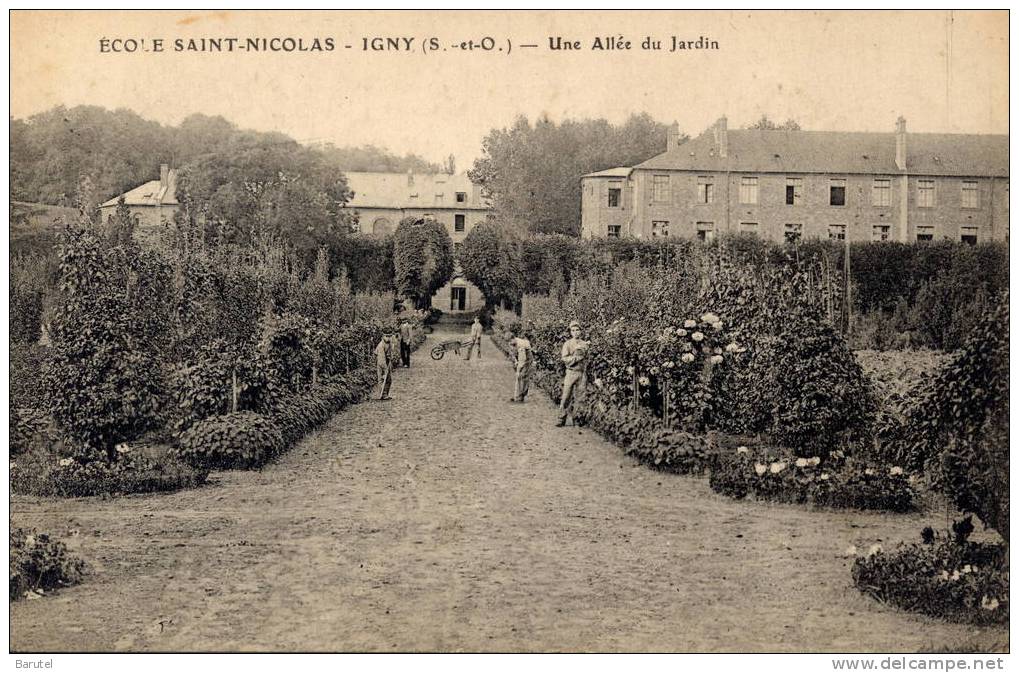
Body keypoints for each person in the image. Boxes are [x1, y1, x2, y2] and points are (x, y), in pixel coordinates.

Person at [556, 320, 589, 427]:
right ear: (570, 332)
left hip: (581, 373)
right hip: (570, 372)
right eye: (573, 330)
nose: (575, 332)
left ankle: (578, 418)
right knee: (566, 396)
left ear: (581, 331)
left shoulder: (585, 344)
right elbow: (564, 358)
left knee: (580, 397)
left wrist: (584, 358)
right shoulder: (568, 344)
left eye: (577, 330)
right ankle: (561, 418)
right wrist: (576, 358)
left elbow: (588, 358)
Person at [508, 324, 533, 403]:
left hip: (527, 360)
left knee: (522, 377)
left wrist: (519, 369)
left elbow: (523, 360)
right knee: (519, 377)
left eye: (510, 341)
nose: (510, 343)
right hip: (521, 359)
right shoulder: (513, 342)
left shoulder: (521, 344)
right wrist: (515, 361)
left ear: (513, 338)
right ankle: (517, 396)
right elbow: (513, 353)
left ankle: (520, 397)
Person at [374, 327, 396, 400]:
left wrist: (391, 357)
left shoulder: (389, 343)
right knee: (381, 379)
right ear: (383, 336)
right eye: (387, 336)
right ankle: (381, 394)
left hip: (387, 362)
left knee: (389, 379)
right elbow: (381, 359)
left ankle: (386, 394)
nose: (388, 338)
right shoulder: (381, 345)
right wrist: (385, 368)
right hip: (381, 362)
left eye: (390, 336)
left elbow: (390, 353)